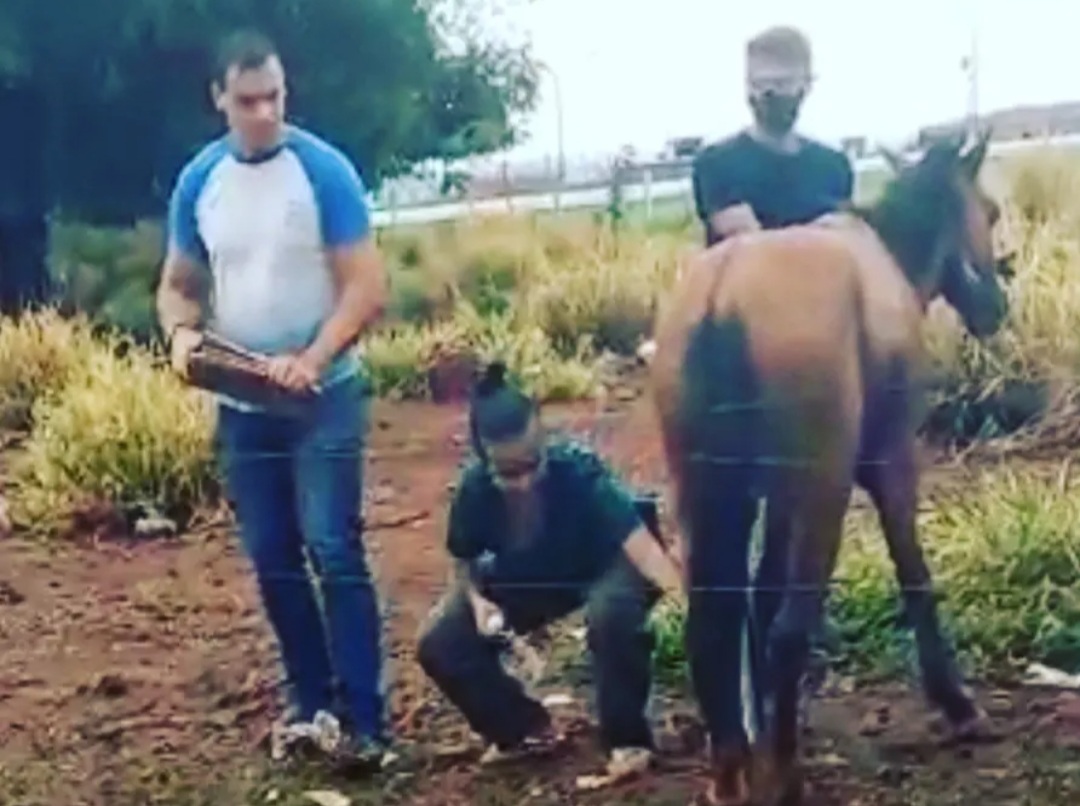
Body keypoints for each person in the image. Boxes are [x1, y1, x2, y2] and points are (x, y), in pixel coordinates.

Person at [155, 30, 391, 769]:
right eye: (248, 100)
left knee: (332, 546)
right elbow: (178, 285)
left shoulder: (322, 171)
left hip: (323, 396)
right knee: (273, 556)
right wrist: (181, 335)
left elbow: (366, 286)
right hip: (245, 404)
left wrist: (312, 358)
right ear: (219, 100)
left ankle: (366, 720)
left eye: (275, 98)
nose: (264, 113)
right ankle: (311, 704)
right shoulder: (200, 181)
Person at [417, 362, 685, 784]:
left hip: (607, 564)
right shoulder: (474, 492)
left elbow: (640, 545)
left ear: (543, 439)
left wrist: (683, 603)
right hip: (534, 574)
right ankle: (522, 731)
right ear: (484, 460)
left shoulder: (578, 470)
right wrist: (478, 602)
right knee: (441, 642)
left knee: (610, 615)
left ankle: (629, 740)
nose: (524, 482)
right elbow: (464, 560)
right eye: (509, 474)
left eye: (532, 465)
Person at [691, 24, 854, 246]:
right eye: (759, 84)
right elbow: (746, 240)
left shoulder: (834, 167)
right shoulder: (716, 164)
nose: (768, 94)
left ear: (806, 85)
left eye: (781, 83)